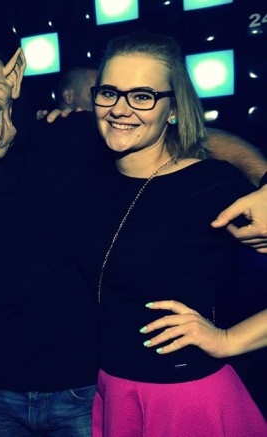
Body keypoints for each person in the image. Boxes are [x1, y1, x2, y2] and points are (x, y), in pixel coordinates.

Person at [0, 36, 267, 436]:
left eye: (143, 95)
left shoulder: (76, 138)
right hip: (24, 392)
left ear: (13, 77)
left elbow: (202, 142)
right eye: (109, 93)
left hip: (94, 391)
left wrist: (265, 181)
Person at [82, 32, 267, 436]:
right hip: (112, 390)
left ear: (173, 109)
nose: (120, 109)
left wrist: (228, 339)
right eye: (109, 92)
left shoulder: (210, 184)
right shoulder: (90, 174)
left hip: (185, 398)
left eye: (143, 96)